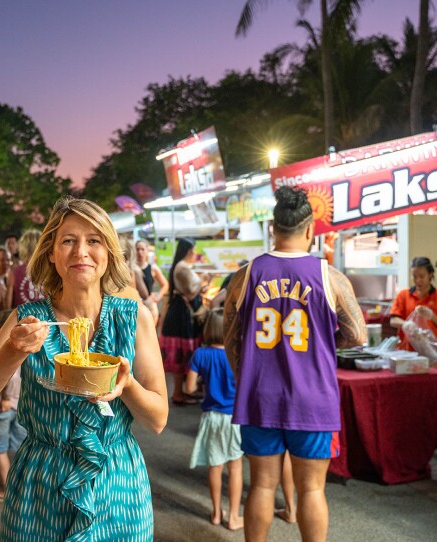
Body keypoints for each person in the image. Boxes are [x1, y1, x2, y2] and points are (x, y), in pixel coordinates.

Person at [0, 196, 168, 540]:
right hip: (41, 485)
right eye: (68, 240)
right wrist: (12, 350)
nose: (81, 251)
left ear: (109, 252)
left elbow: (158, 420)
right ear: (51, 253)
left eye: (94, 240)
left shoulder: (134, 319)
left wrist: (126, 386)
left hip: (116, 485)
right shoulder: (27, 320)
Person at [223, 186, 366, 542]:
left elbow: (230, 336)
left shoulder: (245, 276)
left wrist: (245, 376)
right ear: (309, 230)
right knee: (312, 490)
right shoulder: (329, 277)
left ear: (273, 228)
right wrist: (323, 345)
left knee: (262, 486)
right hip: (313, 399)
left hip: (259, 396)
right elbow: (358, 335)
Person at [185, 308, 243, 531]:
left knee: (215, 465)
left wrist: (203, 386)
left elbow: (188, 388)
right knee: (235, 466)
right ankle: (234, 517)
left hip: (211, 417)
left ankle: (217, 512)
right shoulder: (237, 353)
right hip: (235, 417)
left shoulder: (201, 354)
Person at [160, 237, 207, 405]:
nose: (195, 253)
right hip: (181, 317)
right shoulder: (182, 268)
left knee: (183, 355)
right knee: (181, 354)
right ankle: (179, 393)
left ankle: (183, 391)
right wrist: (203, 281)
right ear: (189, 250)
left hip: (181, 315)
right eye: (194, 249)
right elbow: (190, 293)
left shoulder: (182, 267)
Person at [389, 256, 437, 354]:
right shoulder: (403, 295)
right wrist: (406, 324)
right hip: (407, 352)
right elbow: (393, 320)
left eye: (422, 276)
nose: (418, 280)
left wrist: (432, 316)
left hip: (433, 353)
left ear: (430, 274)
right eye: (414, 277)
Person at [0, 357, 26, 503]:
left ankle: (8, 490)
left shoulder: (10, 350)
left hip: (3, 407)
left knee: (0, 449)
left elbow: (12, 376)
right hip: (22, 406)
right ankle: (23, 489)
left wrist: (7, 397)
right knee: (21, 449)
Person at [5, 229, 43, 308]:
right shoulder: (51, 271)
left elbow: (7, 306)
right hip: (48, 319)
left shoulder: (14, 272)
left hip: (22, 319)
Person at [135, 239, 168, 324]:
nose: (140, 252)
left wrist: (157, 297)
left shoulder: (153, 268)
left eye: (142, 249)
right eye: (137, 249)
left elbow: (165, 285)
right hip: (135, 305)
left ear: (147, 251)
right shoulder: (131, 268)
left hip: (149, 306)